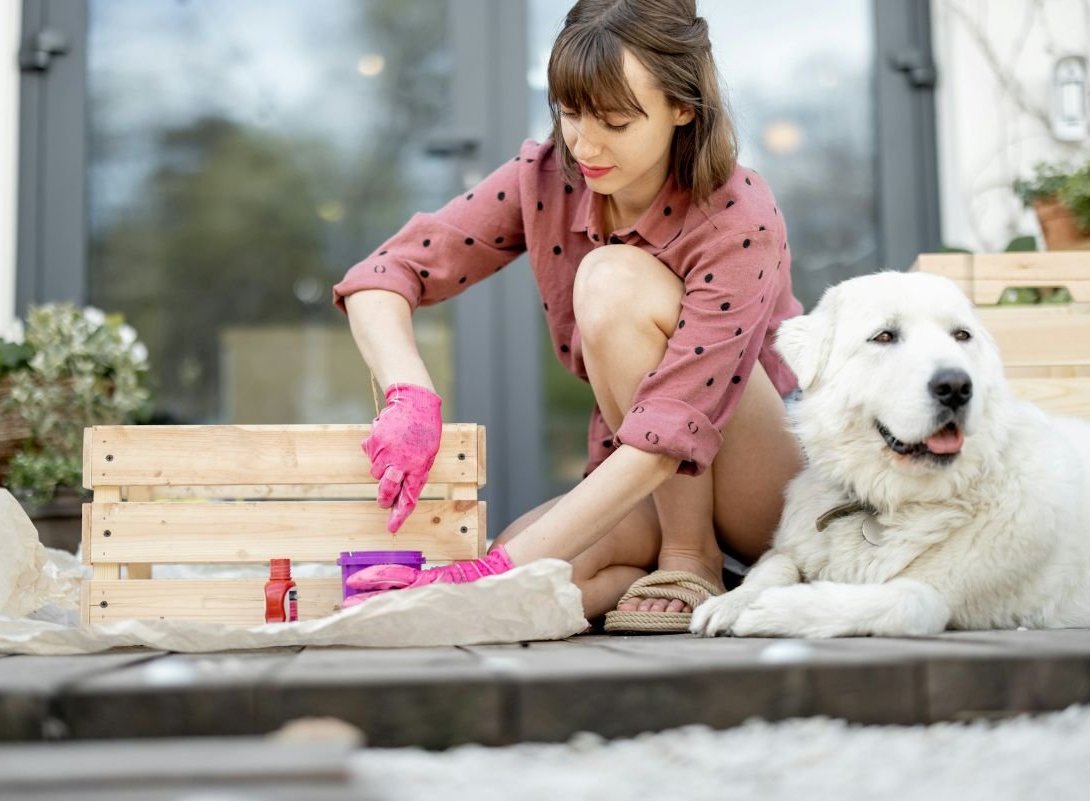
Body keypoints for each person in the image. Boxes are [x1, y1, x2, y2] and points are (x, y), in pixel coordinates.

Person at [333, 0, 804, 632]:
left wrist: (485, 576)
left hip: (761, 480)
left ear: (682, 108)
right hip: (641, 470)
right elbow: (384, 274)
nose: (584, 144)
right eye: (571, 112)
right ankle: (651, 578)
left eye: (613, 120)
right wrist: (408, 391)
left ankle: (693, 561)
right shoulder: (549, 175)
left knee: (611, 278)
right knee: (529, 577)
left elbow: (672, 426)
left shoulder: (737, 212)